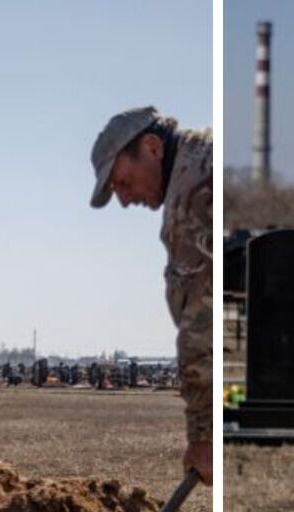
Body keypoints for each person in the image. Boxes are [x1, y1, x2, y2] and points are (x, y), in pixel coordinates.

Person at [89, 105, 211, 485]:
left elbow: (200, 325)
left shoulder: (190, 196)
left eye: (122, 182)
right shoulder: (205, 156)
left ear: (153, 147)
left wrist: (203, 436)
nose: (124, 200)